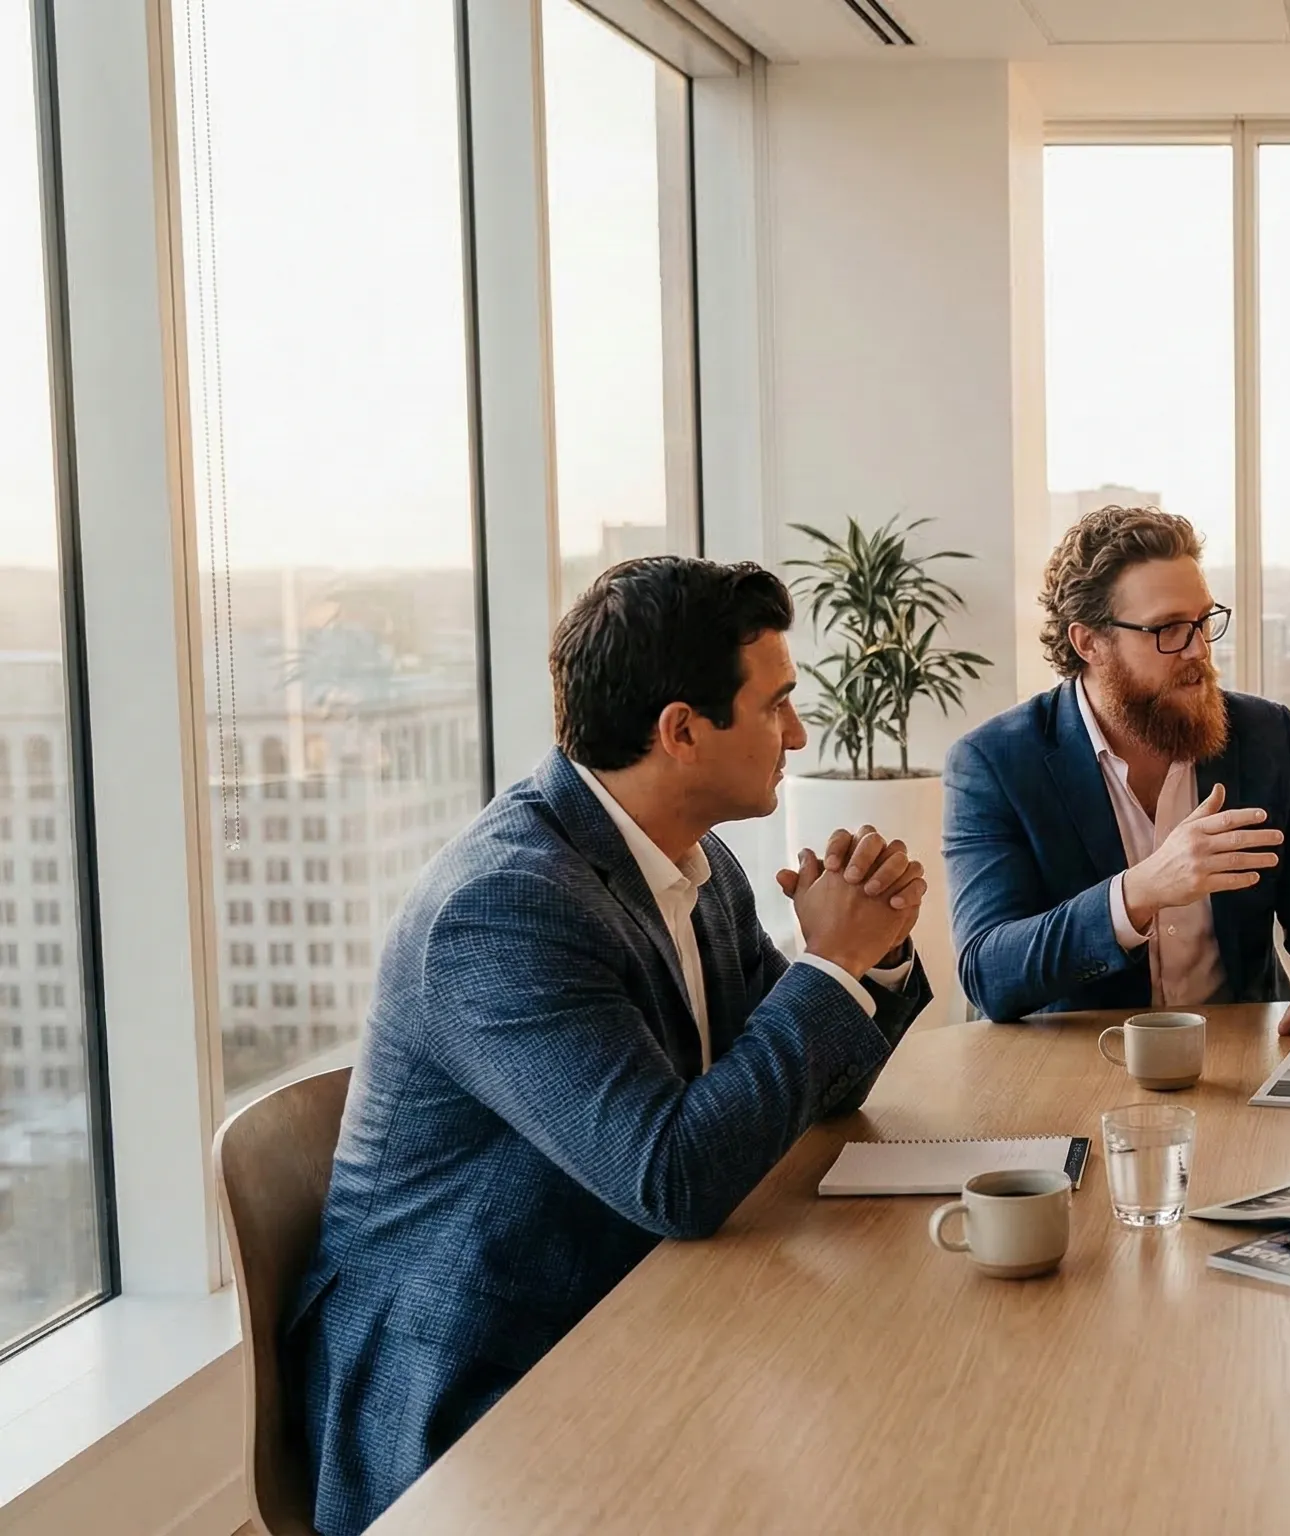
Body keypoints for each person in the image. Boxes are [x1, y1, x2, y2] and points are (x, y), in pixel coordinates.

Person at [285, 558, 934, 1535]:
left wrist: (864, 960)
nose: (799, 735)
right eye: (776, 706)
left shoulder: (696, 860)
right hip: (481, 1390)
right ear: (680, 730)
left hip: (641, 1308)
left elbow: (810, 1095)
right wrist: (825, 966)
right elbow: (672, 1178)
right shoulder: (505, 905)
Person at [943, 505, 1290, 1039]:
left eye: (1203, 621)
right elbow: (988, 972)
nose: (1199, 649)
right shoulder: (994, 763)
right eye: (1169, 629)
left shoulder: (1267, 736)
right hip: (1079, 1067)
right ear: (1089, 643)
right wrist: (1139, 892)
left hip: (1244, 1056)